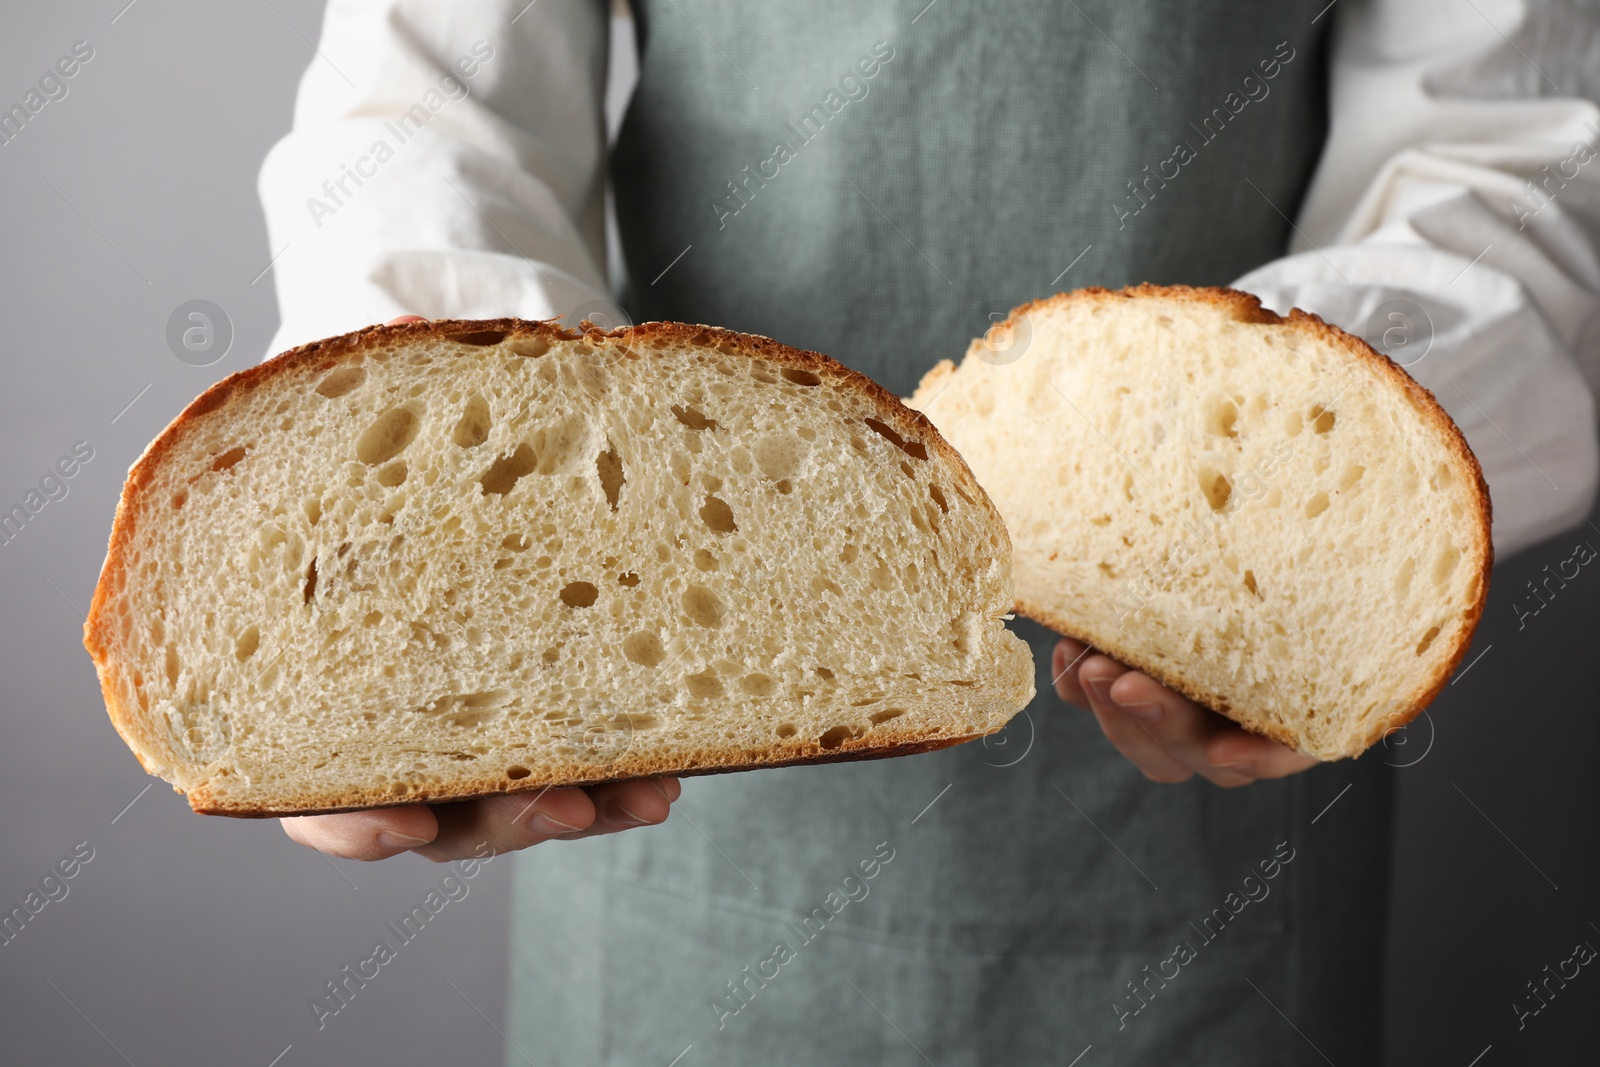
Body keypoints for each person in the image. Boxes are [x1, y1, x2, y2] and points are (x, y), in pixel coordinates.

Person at [261, 1, 1600, 1062]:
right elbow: (431, 106)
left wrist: (1289, 523)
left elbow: (1514, 141)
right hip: (668, 781)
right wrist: (432, 543)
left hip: (1210, 850)